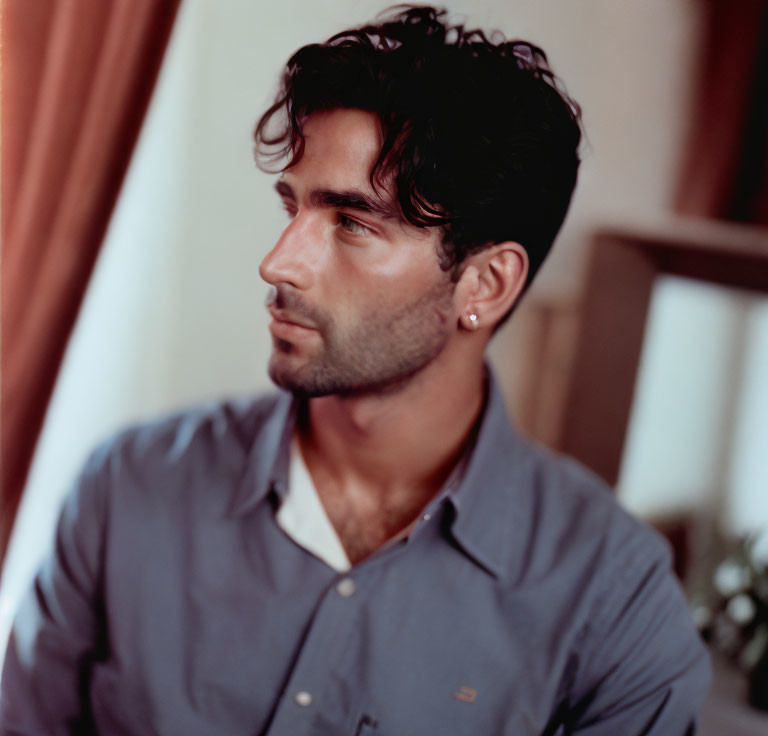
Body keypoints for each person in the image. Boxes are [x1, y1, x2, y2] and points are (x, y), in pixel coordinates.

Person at [1, 6, 711, 735]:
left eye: (352, 224)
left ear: (485, 285)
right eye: (293, 207)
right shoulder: (128, 488)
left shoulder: (613, 600)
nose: (279, 263)